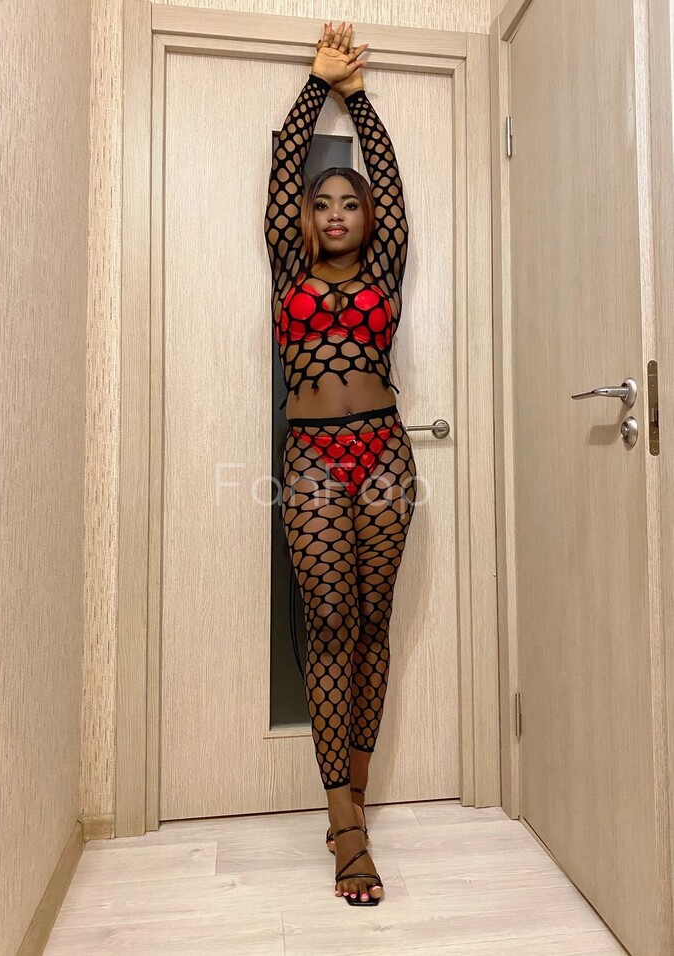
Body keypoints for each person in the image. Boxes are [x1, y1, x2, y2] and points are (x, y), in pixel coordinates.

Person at [264, 20, 417, 906]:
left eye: (347, 204)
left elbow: (389, 183)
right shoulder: (288, 269)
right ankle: (344, 825)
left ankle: (355, 792)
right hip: (314, 457)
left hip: (386, 451)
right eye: (322, 204)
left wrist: (357, 100)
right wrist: (313, 87)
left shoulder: (386, 268)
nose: (334, 214)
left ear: (365, 219)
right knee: (328, 624)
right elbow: (284, 174)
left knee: (371, 621)